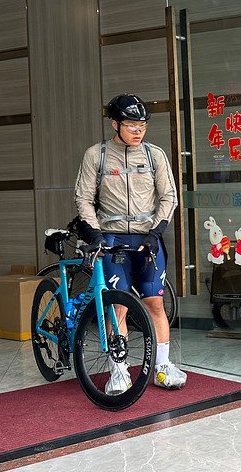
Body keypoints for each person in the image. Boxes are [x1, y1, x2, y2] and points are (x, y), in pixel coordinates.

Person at [74, 94, 186, 394]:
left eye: (143, 125)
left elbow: (169, 197)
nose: (138, 130)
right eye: (131, 125)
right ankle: (119, 371)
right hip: (111, 240)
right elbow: (83, 199)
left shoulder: (154, 156)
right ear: (115, 124)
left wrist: (156, 231)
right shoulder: (96, 155)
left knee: (155, 304)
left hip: (148, 241)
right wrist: (95, 233)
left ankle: (162, 367)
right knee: (118, 307)